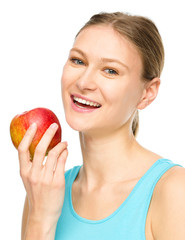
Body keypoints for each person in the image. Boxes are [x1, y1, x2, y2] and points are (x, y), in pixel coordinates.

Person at [20, 12, 185, 240]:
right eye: (78, 61)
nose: (83, 82)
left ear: (147, 93)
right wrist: (40, 218)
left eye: (110, 71)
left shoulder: (173, 191)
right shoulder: (43, 190)